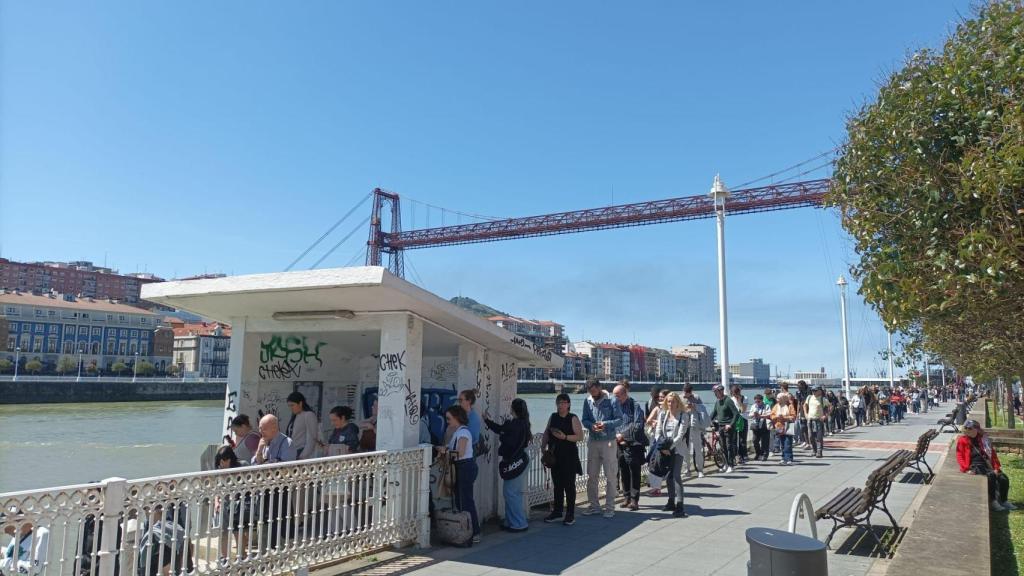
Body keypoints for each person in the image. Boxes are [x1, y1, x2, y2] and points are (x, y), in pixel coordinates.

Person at [484, 398, 532, 532]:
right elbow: (502, 430)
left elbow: (502, 433)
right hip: (521, 460)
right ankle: (510, 521)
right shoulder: (524, 423)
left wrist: (487, 421)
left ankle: (519, 523)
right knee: (512, 492)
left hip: (513, 461)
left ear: (513, 409)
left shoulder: (514, 424)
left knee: (511, 493)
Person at [581, 378, 623, 518]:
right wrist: (591, 426)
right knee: (592, 476)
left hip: (608, 442)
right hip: (593, 441)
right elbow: (585, 419)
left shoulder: (612, 400)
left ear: (599, 388)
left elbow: (619, 419)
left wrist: (605, 424)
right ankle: (594, 506)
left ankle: (610, 507)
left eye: (594, 391)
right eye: (590, 392)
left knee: (610, 475)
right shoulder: (587, 401)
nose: (592, 394)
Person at [438, 405, 480, 543]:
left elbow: (460, 453)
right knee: (461, 500)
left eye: (449, 418)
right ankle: (467, 530)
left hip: (464, 467)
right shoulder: (459, 432)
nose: (447, 421)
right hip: (462, 467)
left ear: (456, 418)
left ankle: (474, 532)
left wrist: (445, 451)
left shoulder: (463, 433)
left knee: (466, 500)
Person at [541, 393, 584, 526]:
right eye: (559, 403)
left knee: (569, 485)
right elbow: (547, 432)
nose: (561, 405)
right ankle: (557, 511)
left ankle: (570, 513)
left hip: (569, 455)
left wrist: (565, 437)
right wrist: (543, 447)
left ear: (568, 404)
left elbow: (580, 436)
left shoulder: (573, 418)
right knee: (557, 485)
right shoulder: (553, 417)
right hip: (555, 456)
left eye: (563, 403)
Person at [957, 420, 1014, 511]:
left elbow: (992, 454)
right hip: (974, 465)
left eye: (970, 428)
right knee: (991, 476)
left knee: (1003, 478)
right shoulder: (962, 440)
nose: (967, 430)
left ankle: (1004, 501)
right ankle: (993, 502)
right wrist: (966, 469)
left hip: (987, 464)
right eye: (966, 428)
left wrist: (996, 467)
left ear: (976, 429)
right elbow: (959, 456)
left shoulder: (983, 439)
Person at [653, 392, 689, 517]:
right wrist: (662, 447)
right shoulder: (663, 414)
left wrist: (670, 447)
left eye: (673, 401)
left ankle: (680, 505)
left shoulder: (683, 415)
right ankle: (670, 502)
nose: (670, 404)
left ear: (678, 402)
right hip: (665, 449)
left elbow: (680, 435)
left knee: (676, 476)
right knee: (668, 476)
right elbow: (657, 432)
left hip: (677, 449)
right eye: (668, 401)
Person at [613, 384, 648, 511]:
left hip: (633, 445)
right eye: (614, 396)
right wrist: (616, 435)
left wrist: (622, 435)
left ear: (624, 394)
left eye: (617, 396)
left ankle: (634, 499)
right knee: (623, 470)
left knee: (634, 472)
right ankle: (626, 497)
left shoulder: (635, 406)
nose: (615, 398)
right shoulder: (614, 407)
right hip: (619, 444)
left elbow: (638, 425)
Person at [215, 446, 250, 564]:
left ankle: (242, 555)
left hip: (239, 504)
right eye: (219, 462)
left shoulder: (243, 465)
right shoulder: (220, 470)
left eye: (223, 461)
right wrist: (216, 502)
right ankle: (224, 558)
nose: (221, 464)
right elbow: (217, 489)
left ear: (230, 459)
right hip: (225, 504)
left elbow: (250, 484)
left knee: (237, 530)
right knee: (223, 531)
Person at [709, 384, 740, 473]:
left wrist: (730, 424)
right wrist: (707, 421)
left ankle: (731, 465)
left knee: (729, 446)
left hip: (728, 427)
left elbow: (736, 414)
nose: (715, 394)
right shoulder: (717, 402)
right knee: (723, 447)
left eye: (716, 392)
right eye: (714, 392)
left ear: (721, 391)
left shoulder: (728, 400)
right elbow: (713, 413)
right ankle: (726, 464)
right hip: (720, 426)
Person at [644, 389, 669, 496]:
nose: (660, 399)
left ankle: (666, 486)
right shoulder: (657, 408)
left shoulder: (672, 409)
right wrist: (656, 422)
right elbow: (648, 420)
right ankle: (656, 488)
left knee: (665, 464)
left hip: (668, 440)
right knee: (655, 462)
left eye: (662, 397)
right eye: (659, 397)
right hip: (656, 439)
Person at [285, 392, 321, 460]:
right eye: (289, 406)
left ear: (300, 403)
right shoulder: (296, 415)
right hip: (292, 452)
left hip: (301, 452)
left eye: (292, 405)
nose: (291, 408)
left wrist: (302, 456)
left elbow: (312, 438)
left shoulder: (309, 415)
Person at [771, 394, 798, 465]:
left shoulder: (789, 405)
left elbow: (793, 416)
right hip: (779, 426)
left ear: (783, 398)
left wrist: (784, 417)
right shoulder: (776, 406)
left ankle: (788, 458)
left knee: (788, 443)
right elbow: (772, 415)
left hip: (788, 425)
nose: (777, 400)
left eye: (779, 398)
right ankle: (783, 457)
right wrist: (776, 417)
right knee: (782, 443)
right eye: (777, 398)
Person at [803, 387, 830, 458]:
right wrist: (806, 414)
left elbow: (830, 407)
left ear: (819, 391)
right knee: (811, 436)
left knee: (819, 436)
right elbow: (804, 405)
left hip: (818, 420)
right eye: (813, 390)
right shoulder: (809, 397)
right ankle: (814, 450)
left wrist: (825, 416)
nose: (814, 392)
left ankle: (819, 451)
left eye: (815, 391)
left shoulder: (823, 399)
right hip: (810, 419)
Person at [748, 394, 772, 461]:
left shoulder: (766, 406)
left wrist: (760, 416)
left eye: (758, 401)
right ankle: (758, 453)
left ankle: (764, 455)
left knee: (765, 441)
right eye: (756, 401)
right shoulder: (753, 406)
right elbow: (749, 415)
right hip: (756, 425)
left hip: (764, 425)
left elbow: (769, 415)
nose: (757, 403)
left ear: (762, 400)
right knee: (755, 440)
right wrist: (753, 415)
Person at [730, 385, 749, 464]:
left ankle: (743, 455)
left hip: (743, 419)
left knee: (742, 440)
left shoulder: (745, 398)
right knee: (733, 439)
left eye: (735, 393)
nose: (734, 395)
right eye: (733, 394)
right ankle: (735, 456)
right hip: (734, 420)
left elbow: (743, 410)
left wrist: (739, 401)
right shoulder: (731, 399)